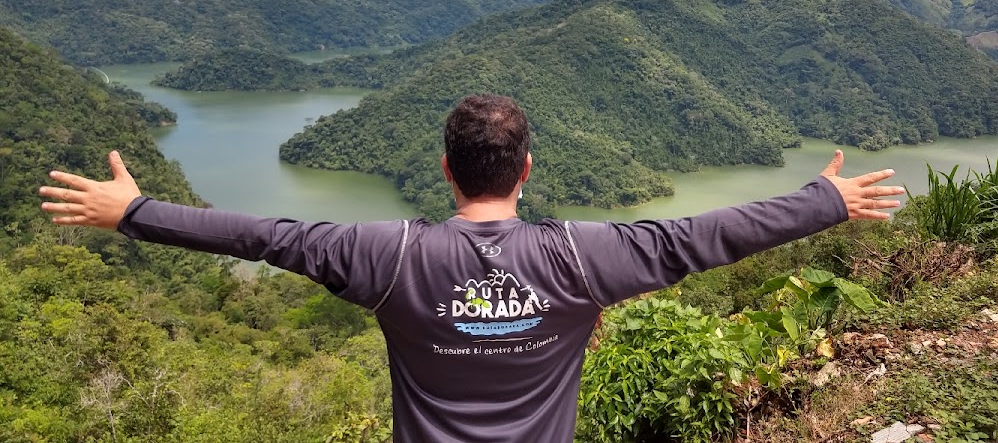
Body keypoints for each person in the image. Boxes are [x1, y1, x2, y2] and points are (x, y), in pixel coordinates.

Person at [40, 93, 904, 443]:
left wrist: (135, 213)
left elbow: (263, 234)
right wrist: (822, 201)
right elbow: (702, 236)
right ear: (526, 169)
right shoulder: (582, 255)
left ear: (447, 169)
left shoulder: (387, 256)